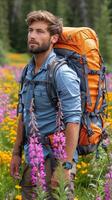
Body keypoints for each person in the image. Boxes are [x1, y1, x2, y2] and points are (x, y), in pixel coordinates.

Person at [10, 10, 81, 200]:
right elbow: (24, 114)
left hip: (58, 159)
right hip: (33, 158)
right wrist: (16, 153)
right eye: (30, 30)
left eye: (40, 31)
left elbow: (74, 121)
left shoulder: (62, 73)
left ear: (53, 38)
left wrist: (65, 167)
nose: (32, 35)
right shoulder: (28, 71)